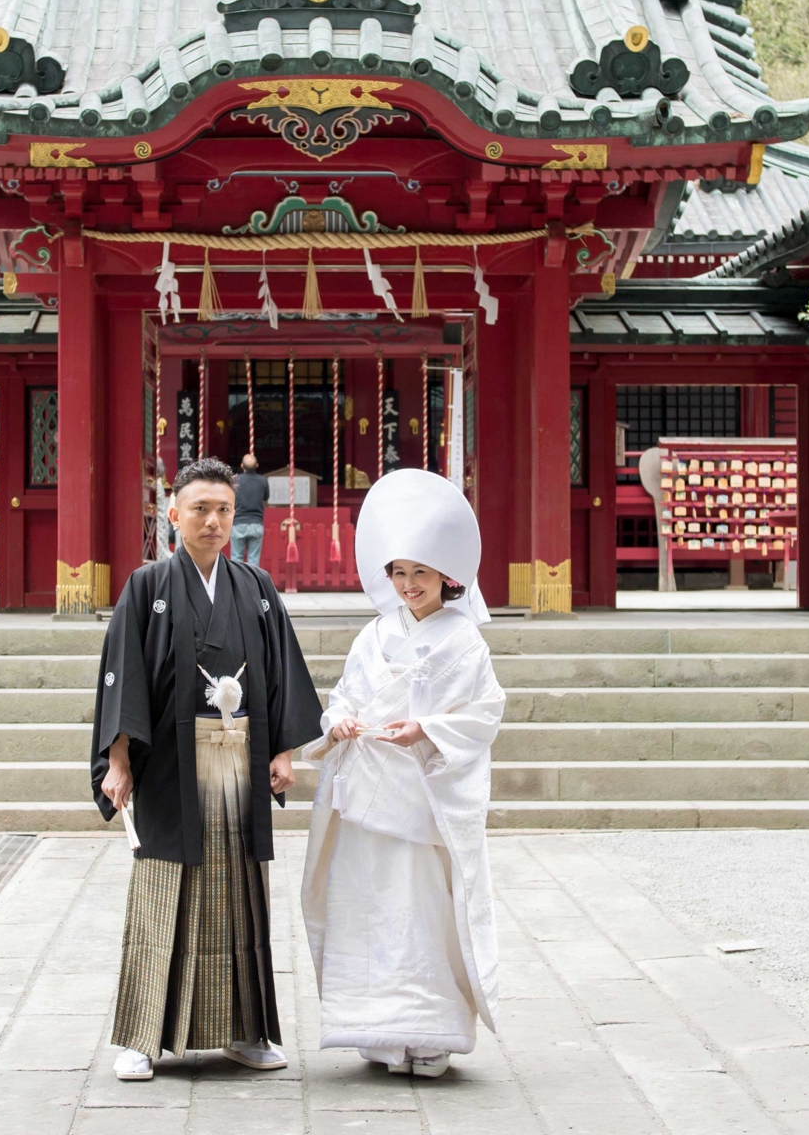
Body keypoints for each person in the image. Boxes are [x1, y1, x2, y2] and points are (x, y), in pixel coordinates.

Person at [91, 456, 323, 1082]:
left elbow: (279, 674)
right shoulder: (147, 586)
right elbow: (123, 678)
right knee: (163, 889)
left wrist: (282, 750)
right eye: (200, 508)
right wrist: (118, 761)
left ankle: (243, 1031)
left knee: (237, 895)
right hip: (167, 760)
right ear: (174, 514)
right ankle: (142, 1036)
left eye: (224, 509)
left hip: (240, 760)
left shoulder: (256, 586)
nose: (215, 521)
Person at [301, 468, 503, 1080]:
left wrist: (428, 730)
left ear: (447, 575)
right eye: (399, 573)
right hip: (366, 792)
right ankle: (378, 1032)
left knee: (421, 910)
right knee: (367, 905)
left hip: (420, 795)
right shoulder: (375, 633)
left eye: (420, 572)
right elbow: (344, 696)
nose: (409, 585)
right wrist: (337, 723)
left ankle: (432, 1032)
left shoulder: (466, 642)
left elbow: (485, 712)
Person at [231, 453, 269, 568]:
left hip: (238, 522)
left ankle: (237, 583)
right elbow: (266, 497)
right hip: (256, 522)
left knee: (236, 558)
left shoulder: (235, 480)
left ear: (242, 466)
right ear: (257, 465)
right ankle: (252, 584)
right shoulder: (263, 481)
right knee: (253, 559)